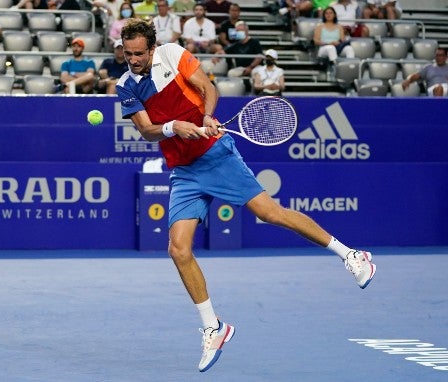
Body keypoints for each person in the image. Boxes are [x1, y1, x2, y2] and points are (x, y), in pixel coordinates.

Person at [116, 18, 376, 373]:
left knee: (270, 213)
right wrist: (174, 127)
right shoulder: (125, 85)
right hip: (184, 171)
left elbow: (209, 88)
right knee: (178, 248)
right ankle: (214, 327)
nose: (132, 59)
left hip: (216, 155)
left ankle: (352, 255)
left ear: (152, 47)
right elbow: (147, 131)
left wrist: (206, 117)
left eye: (139, 53)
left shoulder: (174, 55)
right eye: (127, 54)